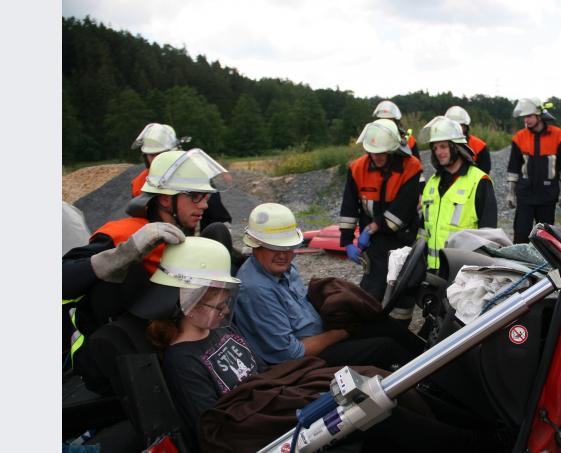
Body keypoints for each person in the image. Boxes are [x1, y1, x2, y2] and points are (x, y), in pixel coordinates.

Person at [145, 237, 499, 453]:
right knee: (373, 411)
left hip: (277, 395)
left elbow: (263, 375)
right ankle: (476, 445)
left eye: (224, 301)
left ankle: (477, 424)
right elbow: (217, 429)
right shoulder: (182, 360)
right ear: (183, 301)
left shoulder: (221, 331)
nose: (222, 309)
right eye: (212, 302)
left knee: (374, 384)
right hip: (266, 426)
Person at [62, 148, 231, 393]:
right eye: (196, 196)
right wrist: (120, 255)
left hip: (165, 346)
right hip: (114, 357)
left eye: (206, 197)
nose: (205, 205)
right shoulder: (123, 234)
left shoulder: (181, 233)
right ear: (165, 199)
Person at [234, 203, 425, 370]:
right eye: (273, 247)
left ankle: (433, 359)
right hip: (302, 362)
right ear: (256, 245)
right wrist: (342, 332)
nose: (283, 254)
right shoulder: (256, 290)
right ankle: (425, 386)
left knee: (384, 325)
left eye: (287, 246)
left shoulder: (281, 267)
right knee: (385, 349)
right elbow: (290, 354)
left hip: (318, 336)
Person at [338, 119, 423, 302]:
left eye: (381, 153)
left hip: (403, 236)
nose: (376, 157)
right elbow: (349, 207)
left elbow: (401, 212)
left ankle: (398, 328)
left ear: (392, 149)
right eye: (372, 152)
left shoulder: (411, 167)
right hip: (375, 241)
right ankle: (370, 327)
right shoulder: (357, 169)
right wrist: (347, 241)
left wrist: (371, 228)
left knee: (402, 288)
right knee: (372, 288)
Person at [421, 116, 497, 271]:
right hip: (432, 270)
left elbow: (488, 234)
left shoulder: (479, 181)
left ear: (456, 147)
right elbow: (423, 229)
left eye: (443, 146)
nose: (438, 152)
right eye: (435, 148)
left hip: (463, 271)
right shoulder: (432, 183)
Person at [130, 123, 232, 230]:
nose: (158, 158)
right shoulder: (138, 183)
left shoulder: (197, 177)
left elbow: (217, 217)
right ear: (145, 157)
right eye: (152, 155)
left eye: (163, 153)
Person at [506, 97, 561, 243]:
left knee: (546, 238)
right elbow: (513, 168)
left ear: (539, 115)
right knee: (521, 234)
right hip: (525, 195)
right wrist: (510, 193)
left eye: (529, 116)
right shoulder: (519, 137)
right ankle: (520, 264)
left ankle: (546, 265)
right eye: (524, 117)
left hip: (547, 196)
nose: (526, 120)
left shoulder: (558, 136)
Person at [444, 105, 492, 174]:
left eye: (458, 125)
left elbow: (484, 173)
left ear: (465, 127)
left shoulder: (480, 146)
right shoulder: (441, 146)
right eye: (451, 125)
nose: (455, 128)